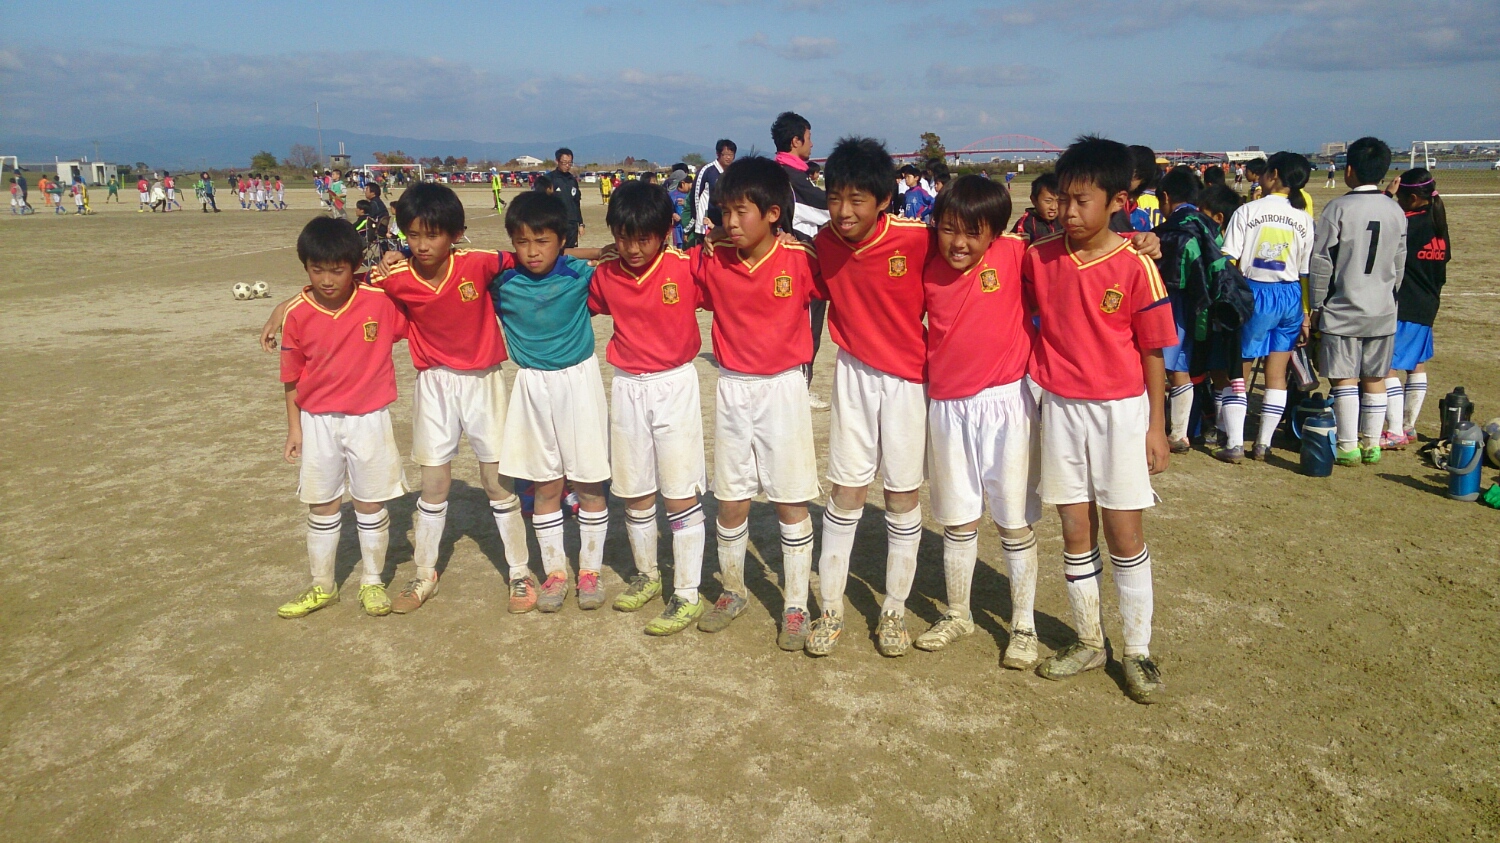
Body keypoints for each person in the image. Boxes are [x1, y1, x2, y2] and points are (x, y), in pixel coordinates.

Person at [261, 183, 534, 615]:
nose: (422, 245)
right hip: (433, 385)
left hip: (484, 381)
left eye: (432, 235)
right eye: (414, 235)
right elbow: (337, 279)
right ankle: (424, 573)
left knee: (495, 481)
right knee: (434, 484)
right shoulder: (392, 277)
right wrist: (284, 305)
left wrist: (598, 254)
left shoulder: (476, 261)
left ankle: (519, 572)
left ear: (455, 234)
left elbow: (534, 255)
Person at [1024, 135, 1175, 704]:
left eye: (1081, 201)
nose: (1067, 211)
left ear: (1117, 201)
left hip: (1120, 413)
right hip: (1062, 409)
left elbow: (1153, 350)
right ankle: (1090, 640)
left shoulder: (1137, 266)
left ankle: (1136, 649)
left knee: (1124, 531)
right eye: (1062, 198)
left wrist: (1156, 426)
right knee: (1074, 528)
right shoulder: (1039, 257)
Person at [803, 137, 932, 658]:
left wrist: (1141, 241)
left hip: (908, 381)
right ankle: (831, 608)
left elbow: (986, 246)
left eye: (857, 200)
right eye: (835, 197)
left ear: (883, 200)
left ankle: (894, 610)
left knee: (901, 495)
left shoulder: (918, 238)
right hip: (854, 375)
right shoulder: (823, 243)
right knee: (847, 491)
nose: (844, 211)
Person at [692, 156, 825, 648]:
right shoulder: (712, 258)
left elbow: (844, 274)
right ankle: (733, 589)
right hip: (733, 388)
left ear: (772, 213)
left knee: (790, 499)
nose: (730, 222)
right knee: (731, 499)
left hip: (782, 389)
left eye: (741, 212)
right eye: (725, 212)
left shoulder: (800, 258)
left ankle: (796, 603)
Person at [912, 175, 1042, 668]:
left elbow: (1072, 252)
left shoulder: (1015, 253)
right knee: (957, 517)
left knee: (1013, 519)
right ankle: (959, 613)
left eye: (973, 232)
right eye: (948, 229)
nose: (959, 243)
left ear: (994, 232)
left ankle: (1024, 625)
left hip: (1006, 404)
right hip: (948, 406)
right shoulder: (926, 261)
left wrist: (1142, 239)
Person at [585, 181, 710, 634]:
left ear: (663, 233)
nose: (633, 249)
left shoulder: (687, 267)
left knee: (678, 491)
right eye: (623, 238)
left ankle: (688, 593)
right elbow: (562, 272)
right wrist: (592, 254)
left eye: (643, 239)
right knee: (635, 489)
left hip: (673, 385)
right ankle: (648, 575)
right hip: (627, 386)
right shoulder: (606, 275)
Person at [274, 217, 409, 620]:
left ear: (354, 266)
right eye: (317, 270)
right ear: (305, 267)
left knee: (370, 502)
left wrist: (395, 259)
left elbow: (417, 294)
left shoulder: (378, 301)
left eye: (337, 270)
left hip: (369, 418)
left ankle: (372, 581)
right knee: (322, 504)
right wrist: (294, 428)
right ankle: (323, 586)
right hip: (317, 421)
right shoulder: (297, 313)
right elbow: (291, 377)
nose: (327, 280)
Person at [493, 191, 612, 611]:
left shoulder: (581, 276)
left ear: (562, 241)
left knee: (589, 482)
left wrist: (596, 253)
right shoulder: (502, 281)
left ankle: (590, 570)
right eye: (522, 242)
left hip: (579, 383)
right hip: (532, 388)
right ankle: (556, 572)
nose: (532, 252)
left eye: (542, 241)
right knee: (546, 484)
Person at [1310, 136, 1408, 465]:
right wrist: (1389, 295)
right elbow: (1399, 263)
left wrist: (1317, 304)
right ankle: (1372, 444)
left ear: (1349, 169)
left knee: (1344, 378)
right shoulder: (1396, 210)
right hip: (1382, 309)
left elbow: (1321, 262)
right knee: (1375, 377)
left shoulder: (1338, 208)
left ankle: (1348, 445)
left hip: (1343, 308)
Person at [1215, 151, 1315, 463]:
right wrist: (1306, 313)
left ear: (1272, 175)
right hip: (1291, 295)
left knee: (1239, 370)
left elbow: (1228, 259)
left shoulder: (1248, 210)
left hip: (1254, 293)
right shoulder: (1304, 218)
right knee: (1277, 373)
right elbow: (1305, 271)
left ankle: (1234, 442)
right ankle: (1263, 443)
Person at [1382, 168, 1449, 445]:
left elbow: (1378, 224)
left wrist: (1386, 196)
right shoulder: (1438, 223)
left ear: (1411, 198)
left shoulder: (1407, 223)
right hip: (1428, 304)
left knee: (1386, 366)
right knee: (1416, 364)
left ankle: (1395, 430)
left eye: (1401, 198)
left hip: (1405, 304)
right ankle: (1409, 425)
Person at [772, 111, 831, 410]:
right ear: (796, 141)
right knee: (808, 329)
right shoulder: (794, 179)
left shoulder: (773, 172)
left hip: (774, 264)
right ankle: (801, 389)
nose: (812, 144)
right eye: (808, 138)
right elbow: (829, 209)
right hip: (801, 262)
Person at [694, 139, 736, 237]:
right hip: (706, 222)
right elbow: (696, 196)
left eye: (731, 155)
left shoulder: (733, 172)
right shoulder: (707, 171)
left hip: (725, 222)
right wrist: (696, 219)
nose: (728, 158)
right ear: (718, 154)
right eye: (725, 154)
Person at [546, 148, 585, 247]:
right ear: (557, 161)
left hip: (572, 224)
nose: (567, 165)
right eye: (564, 162)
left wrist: (580, 223)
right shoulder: (549, 179)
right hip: (556, 223)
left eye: (570, 163)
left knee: (570, 252)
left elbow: (576, 203)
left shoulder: (572, 180)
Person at [1010, 173, 1063, 243]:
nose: (1054, 207)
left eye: (1059, 201)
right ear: (1034, 200)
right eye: (1048, 201)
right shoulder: (1025, 224)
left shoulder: (1064, 220)